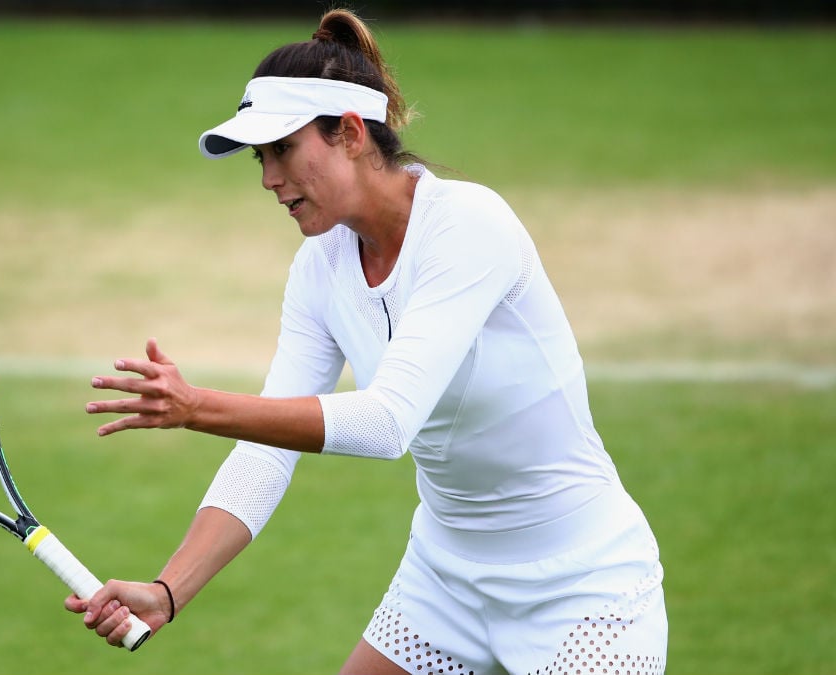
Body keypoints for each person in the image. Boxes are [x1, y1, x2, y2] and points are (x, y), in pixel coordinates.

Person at [65, 9, 668, 675]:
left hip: (582, 587)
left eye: (284, 150)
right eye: (261, 159)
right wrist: (169, 588)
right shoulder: (319, 267)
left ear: (350, 134)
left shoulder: (468, 226)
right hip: (445, 582)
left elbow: (388, 420)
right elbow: (265, 456)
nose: (269, 178)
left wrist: (195, 407)